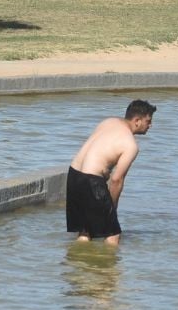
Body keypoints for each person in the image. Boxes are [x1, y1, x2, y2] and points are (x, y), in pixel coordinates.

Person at [67, 99, 156, 245]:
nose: (150, 125)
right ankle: (108, 261)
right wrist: (112, 210)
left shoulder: (108, 121)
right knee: (113, 234)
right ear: (137, 121)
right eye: (148, 121)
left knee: (85, 231)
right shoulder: (130, 145)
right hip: (92, 179)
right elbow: (116, 180)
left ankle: (78, 258)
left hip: (74, 175)